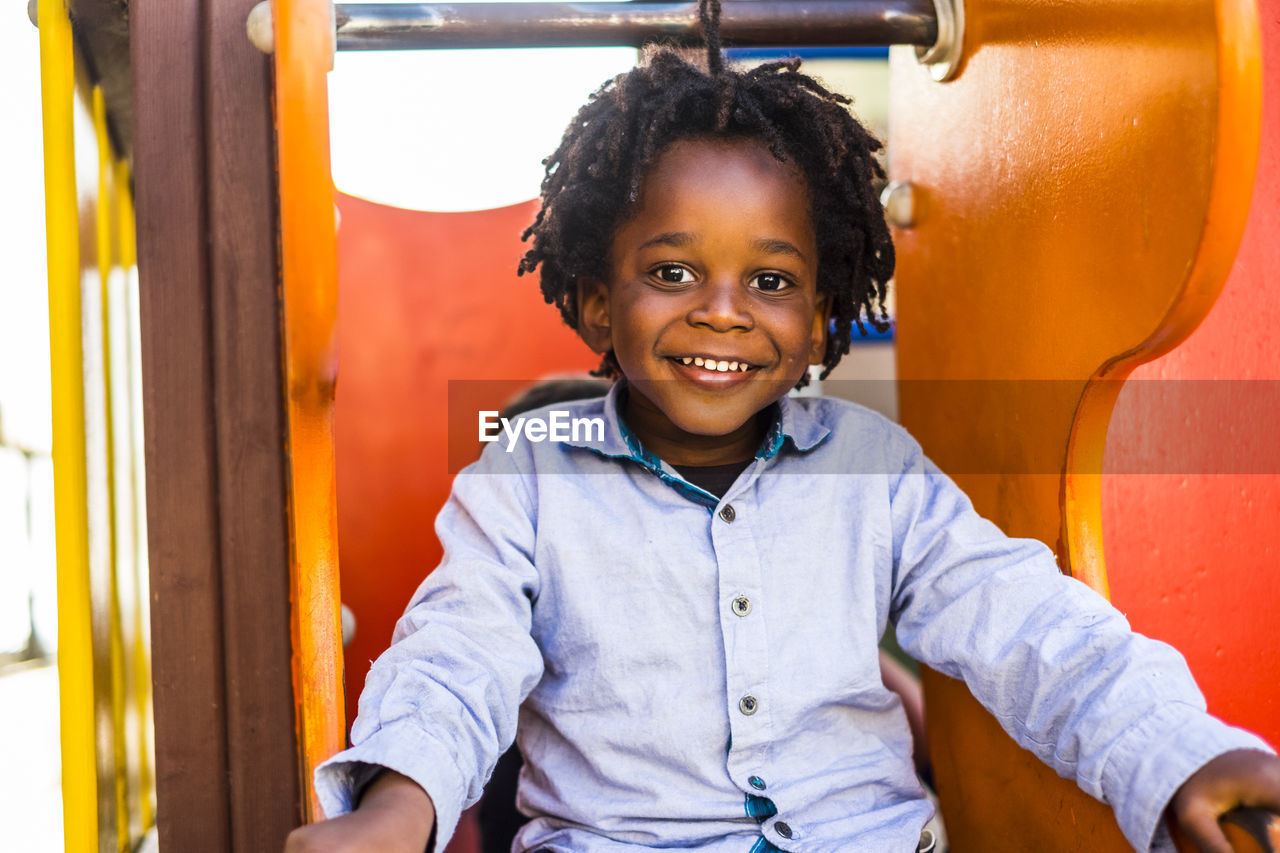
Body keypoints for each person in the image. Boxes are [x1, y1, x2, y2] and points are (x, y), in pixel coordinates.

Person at [286, 3, 1280, 851]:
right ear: (595, 302)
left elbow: (1030, 628)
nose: (722, 311)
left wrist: (1180, 752)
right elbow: (457, 658)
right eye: (671, 272)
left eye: (769, 282)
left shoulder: (873, 471)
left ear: (817, 321)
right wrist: (397, 808)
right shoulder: (530, 478)